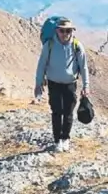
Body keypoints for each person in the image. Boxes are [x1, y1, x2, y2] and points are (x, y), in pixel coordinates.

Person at [34, 18, 90, 152]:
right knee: (56, 112)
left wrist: (86, 85)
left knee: (68, 112)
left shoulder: (77, 46)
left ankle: (66, 138)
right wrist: (38, 82)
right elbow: (42, 64)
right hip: (54, 84)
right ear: (56, 31)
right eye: (62, 30)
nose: (65, 34)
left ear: (72, 31)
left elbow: (84, 67)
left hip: (70, 84)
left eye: (68, 31)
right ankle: (57, 140)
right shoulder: (50, 45)